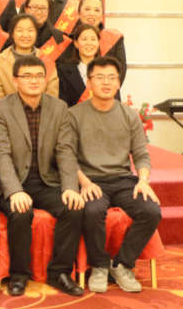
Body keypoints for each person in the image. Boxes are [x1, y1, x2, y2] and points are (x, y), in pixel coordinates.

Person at [0, 55, 85, 297]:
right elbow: (2, 153)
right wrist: (14, 191)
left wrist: (70, 186)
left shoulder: (59, 107)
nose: (34, 81)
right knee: (21, 211)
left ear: (46, 80)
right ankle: (19, 275)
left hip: (46, 181)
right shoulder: (1, 108)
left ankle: (59, 273)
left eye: (39, 76)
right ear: (15, 80)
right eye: (27, 76)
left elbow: (65, 151)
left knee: (73, 208)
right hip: (14, 181)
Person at [68, 56, 161, 294]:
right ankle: (99, 265)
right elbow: (66, 156)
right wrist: (84, 183)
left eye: (111, 77)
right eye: (99, 77)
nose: (106, 82)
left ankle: (121, 265)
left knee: (151, 210)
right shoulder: (74, 115)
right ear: (89, 82)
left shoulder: (129, 115)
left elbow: (141, 154)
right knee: (92, 210)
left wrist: (143, 180)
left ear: (119, 83)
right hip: (90, 180)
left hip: (122, 180)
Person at [0, 14, 59, 102]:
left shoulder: (47, 61)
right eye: (20, 30)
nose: (25, 35)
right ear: (12, 34)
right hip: (8, 110)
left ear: (36, 33)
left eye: (30, 30)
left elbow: (52, 98)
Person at [60, 0, 127, 85]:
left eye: (97, 10)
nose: (92, 13)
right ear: (78, 13)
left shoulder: (114, 39)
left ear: (102, 15)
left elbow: (120, 73)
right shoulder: (68, 40)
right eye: (87, 9)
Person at [57, 24, 103, 107]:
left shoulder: (108, 69)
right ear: (76, 43)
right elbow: (63, 104)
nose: (89, 43)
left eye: (93, 39)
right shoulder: (64, 71)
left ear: (98, 43)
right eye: (84, 39)